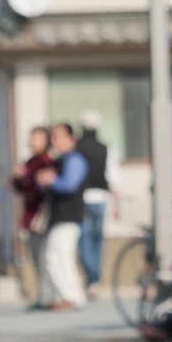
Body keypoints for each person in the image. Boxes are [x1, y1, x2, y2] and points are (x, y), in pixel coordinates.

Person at [35, 123, 88, 310]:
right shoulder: (58, 160)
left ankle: (71, 297)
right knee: (52, 257)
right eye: (52, 137)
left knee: (59, 257)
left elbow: (69, 185)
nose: (53, 141)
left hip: (69, 216)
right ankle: (61, 297)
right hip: (58, 216)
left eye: (57, 136)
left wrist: (51, 180)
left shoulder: (74, 159)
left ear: (70, 139)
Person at [74, 109, 119, 296]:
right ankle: (95, 280)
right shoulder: (106, 148)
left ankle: (91, 278)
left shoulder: (76, 148)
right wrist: (117, 203)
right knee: (96, 240)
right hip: (101, 197)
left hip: (82, 198)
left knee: (84, 239)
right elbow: (114, 175)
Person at [12, 126, 54, 309]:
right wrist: (18, 178)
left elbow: (41, 188)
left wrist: (26, 178)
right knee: (35, 257)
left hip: (42, 216)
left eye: (37, 138)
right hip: (31, 214)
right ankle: (43, 295)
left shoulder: (47, 161)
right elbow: (21, 188)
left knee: (45, 257)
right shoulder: (30, 161)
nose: (32, 141)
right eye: (32, 137)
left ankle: (48, 296)